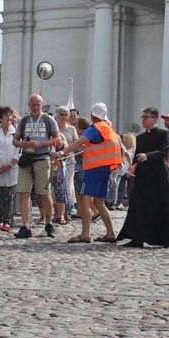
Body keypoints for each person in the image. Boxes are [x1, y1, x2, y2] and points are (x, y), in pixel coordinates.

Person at [52, 103, 120, 244]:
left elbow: (79, 142)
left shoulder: (95, 128)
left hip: (93, 170)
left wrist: (62, 152)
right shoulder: (108, 129)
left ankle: (85, 234)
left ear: (92, 115)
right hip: (105, 169)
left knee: (85, 200)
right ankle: (110, 233)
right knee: (99, 203)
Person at [115, 107, 169, 247]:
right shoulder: (140, 137)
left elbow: (164, 151)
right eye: (142, 117)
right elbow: (137, 155)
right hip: (143, 175)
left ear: (155, 119)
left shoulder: (164, 134)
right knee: (138, 204)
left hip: (158, 175)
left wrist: (148, 156)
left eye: (146, 117)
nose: (143, 120)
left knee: (159, 205)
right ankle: (136, 238)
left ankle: (162, 238)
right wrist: (133, 165)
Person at [13, 94, 60, 239]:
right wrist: (23, 144)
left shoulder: (48, 120)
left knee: (44, 193)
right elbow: (15, 140)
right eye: (32, 104)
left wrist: (41, 144)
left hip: (41, 159)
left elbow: (57, 140)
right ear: (28, 105)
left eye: (37, 105)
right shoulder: (24, 120)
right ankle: (25, 226)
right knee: (24, 192)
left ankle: (49, 222)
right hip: (26, 159)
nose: (35, 107)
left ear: (42, 105)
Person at [0, 105, 20, 232]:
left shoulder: (16, 133)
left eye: (10, 115)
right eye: (6, 115)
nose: (9, 118)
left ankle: (7, 220)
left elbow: (19, 151)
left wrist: (10, 164)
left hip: (12, 169)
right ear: (0, 118)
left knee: (9, 195)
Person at [53, 105, 77, 223]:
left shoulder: (71, 129)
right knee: (55, 187)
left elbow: (77, 143)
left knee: (67, 187)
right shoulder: (53, 128)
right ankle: (56, 212)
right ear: (57, 116)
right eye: (61, 114)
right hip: (54, 161)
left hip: (68, 161)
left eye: (65, 114)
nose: (63, 117)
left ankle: (66, 213)